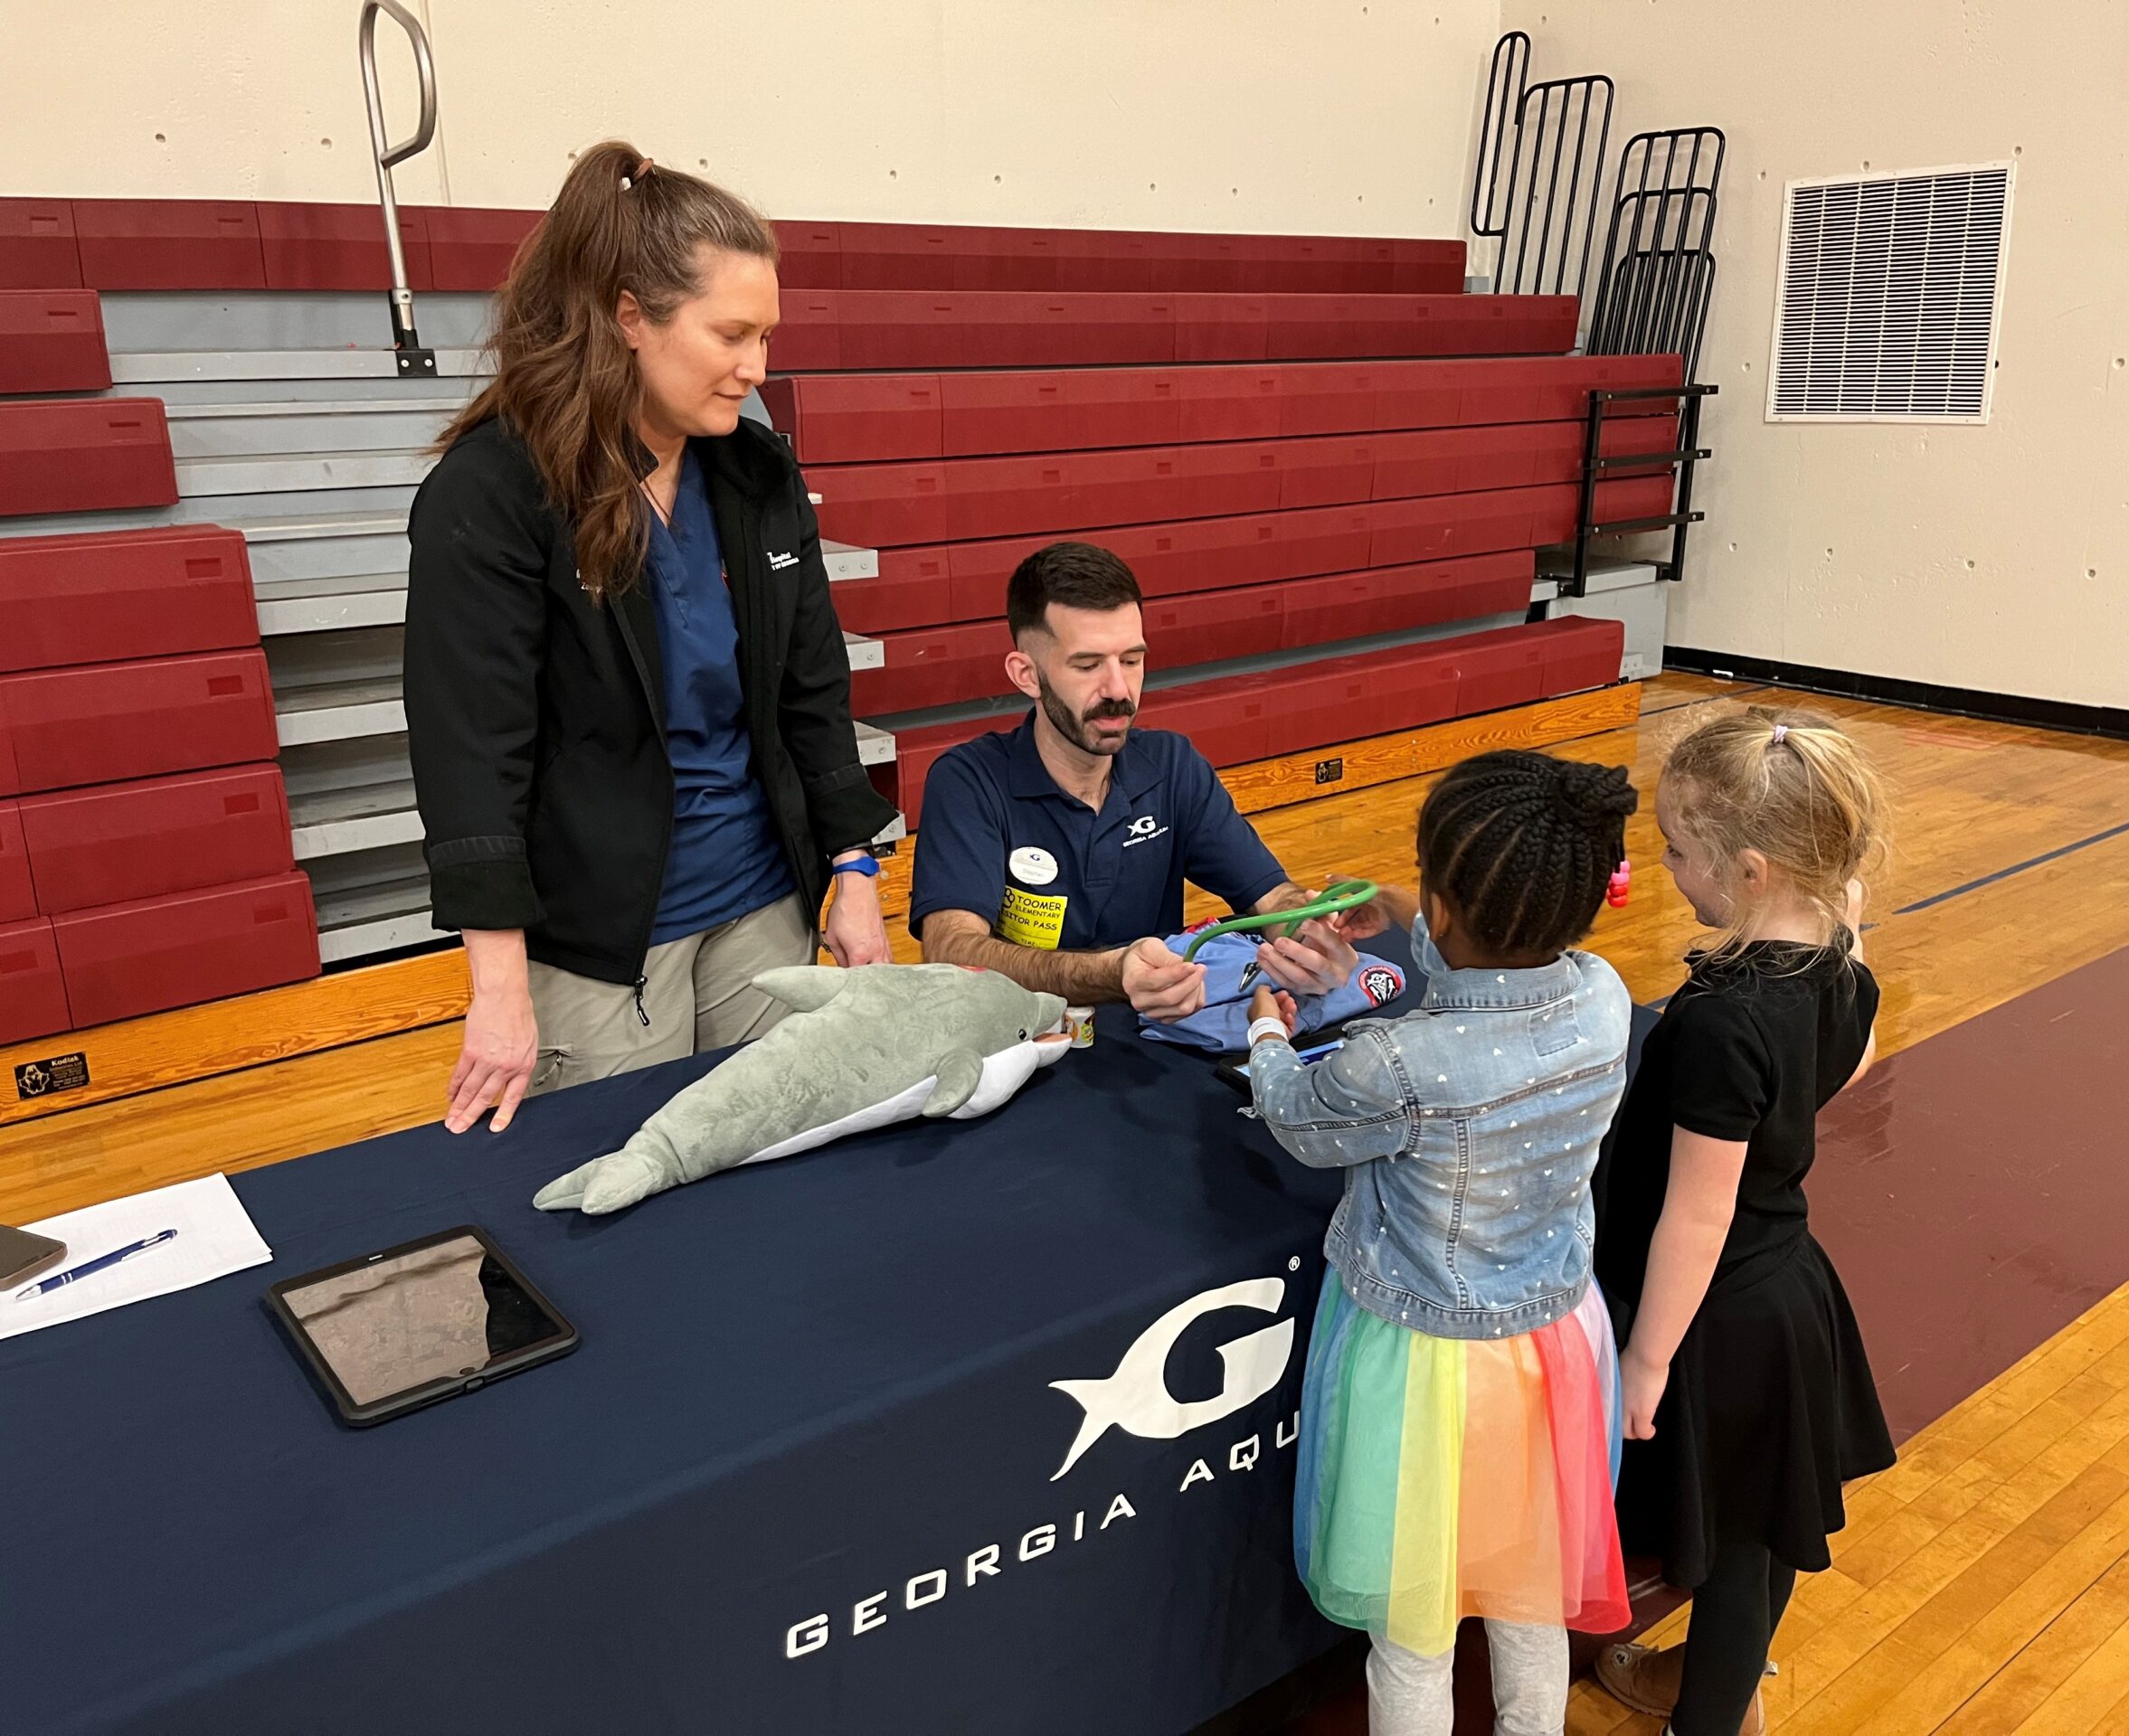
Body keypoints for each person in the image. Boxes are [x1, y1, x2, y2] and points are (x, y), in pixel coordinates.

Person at [405, 143, 896, 1136]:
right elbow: (471, 754)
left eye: (766, 336)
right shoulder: (495, 489)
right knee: (613, 1207)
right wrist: (497, 987)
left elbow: (814, 689)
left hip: (762, 902)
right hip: (600, 940)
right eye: (731, 335)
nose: (757, 370)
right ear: (631, 317)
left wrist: (852, 869)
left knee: (765, 1167)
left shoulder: (754, 474)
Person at [1242, 749, 1640, 1736]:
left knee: (1413, 1629)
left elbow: (1299, 1120)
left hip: (1423, 1372)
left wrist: (1264, 1033)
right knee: (1527, 1593)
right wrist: (1404, 908)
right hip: (1553, 1349)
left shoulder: (1392, 1060)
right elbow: (1489, 982)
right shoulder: (1602, 994)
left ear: (1445, 909)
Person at [1589, 707, 1896, 1736]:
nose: (1669, 867)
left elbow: (1696, 1209)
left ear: (1752, 870)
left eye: (1678, 852)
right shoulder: (1842, 966)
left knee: (1725, 1543)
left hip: (1716, 1315)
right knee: (1765, 1530)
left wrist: (1645, 1360)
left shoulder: (1724, 1017)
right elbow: (1833, 1076)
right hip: (1787, 1285)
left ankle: (1708, 1717)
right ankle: (1715, 1691)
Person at [910, 541, 1359, 1020]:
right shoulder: (969, 781)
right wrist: (1112, 971)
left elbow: (1274, 898)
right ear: (1027, 674)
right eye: (1087, 666)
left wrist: (1305, 935)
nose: (1119, 691)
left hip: (1153, 1049)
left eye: (1131, 660)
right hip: (1020, 1050)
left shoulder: (1172, 765)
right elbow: (953, 951)